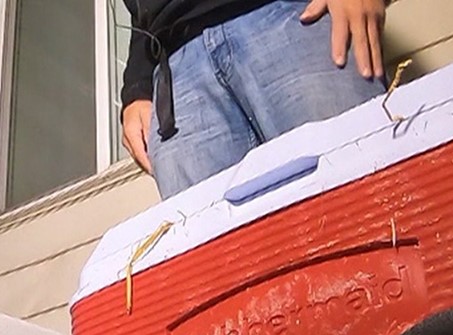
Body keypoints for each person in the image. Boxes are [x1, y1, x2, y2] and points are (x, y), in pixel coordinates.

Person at [120, 0, 389, 199]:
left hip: (291, 16)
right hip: (174, 73)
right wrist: (138, 85)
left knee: (366, 206)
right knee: (220, 268)